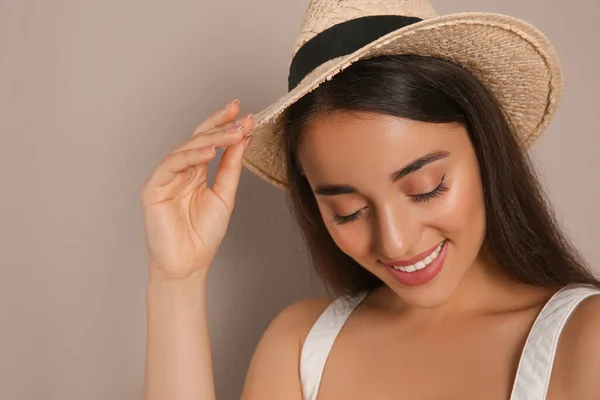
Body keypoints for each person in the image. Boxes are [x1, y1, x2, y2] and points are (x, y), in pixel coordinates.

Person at [140, 0, 600, 399]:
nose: (396, 243)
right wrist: (177, 279)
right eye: (349, 211)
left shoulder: (586, 339)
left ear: (485, 152)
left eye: (426, 187)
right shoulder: (301, 345)